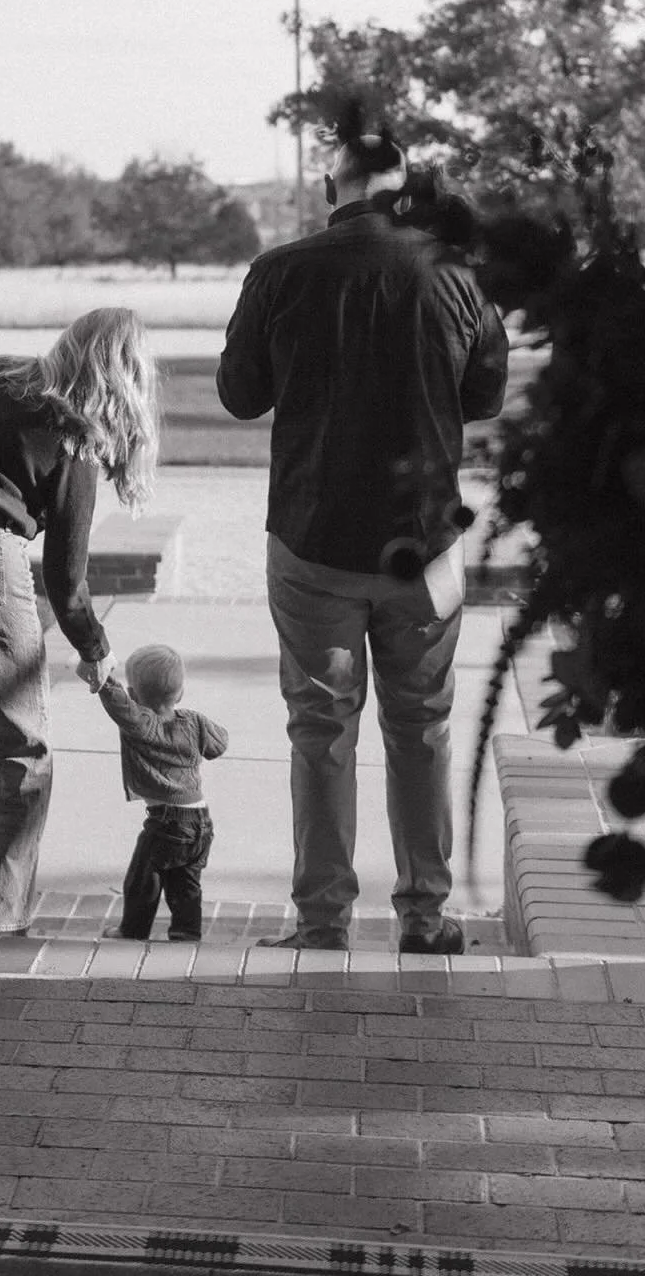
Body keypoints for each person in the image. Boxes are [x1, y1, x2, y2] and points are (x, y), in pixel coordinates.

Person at [216, 113, 508, 954]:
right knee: (423, 730)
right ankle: (425, 915)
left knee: (320, 731)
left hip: (313, 535)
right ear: (404, 188)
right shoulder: (456, 275)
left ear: (328, 187)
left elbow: (240, 395)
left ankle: (322, 920)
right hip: (426, 543)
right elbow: (485, 397)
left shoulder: (280, 272)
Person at [0, 307, 158, 936]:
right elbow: (66, 580)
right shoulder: (75, 433)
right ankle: (3, 913)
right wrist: (96, 650)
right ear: (122, 377)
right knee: (24, 746)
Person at [80, 643, 228, 942]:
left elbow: (118, 704)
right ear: (180, 692)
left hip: (167, 822)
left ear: (134, 695)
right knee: (186, 885)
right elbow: (219, 745)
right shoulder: (194, 721)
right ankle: (187, 935)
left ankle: (132, 931)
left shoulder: (141, 723)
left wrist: (102, 676)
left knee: (142, 878)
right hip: (200, 821)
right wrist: (199, 727)